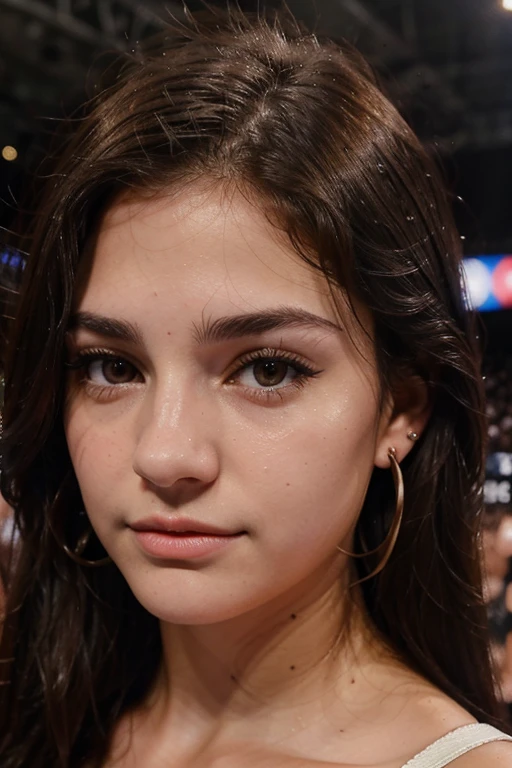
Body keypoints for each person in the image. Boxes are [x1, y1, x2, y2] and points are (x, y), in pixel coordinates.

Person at [0, 8, 510, 768]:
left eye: (268, 369)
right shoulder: (38, 717)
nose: (165, 453)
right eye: (111, 366)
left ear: (399, 407)